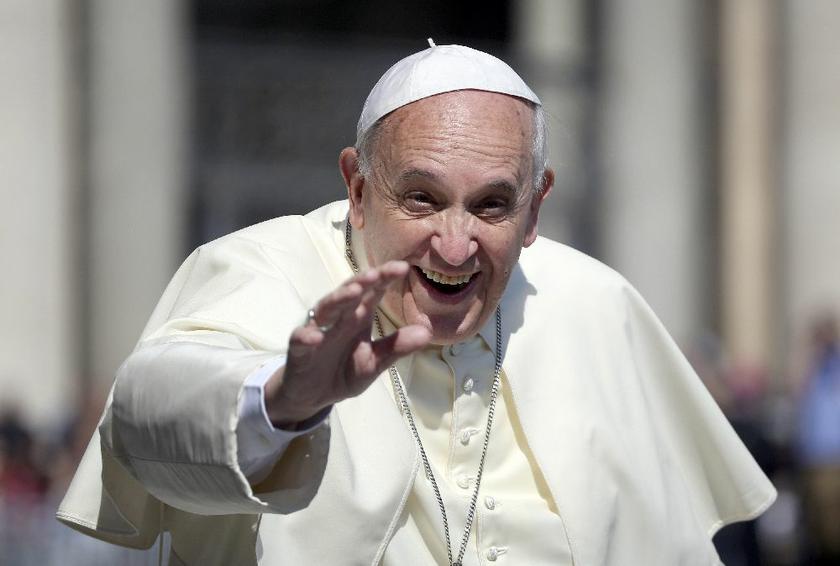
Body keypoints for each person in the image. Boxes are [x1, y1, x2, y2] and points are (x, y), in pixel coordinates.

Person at [58, 41, 776, 565]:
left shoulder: (594, 303)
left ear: (535, 209)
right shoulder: (269, 267)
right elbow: (147, 411)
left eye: (493, 206)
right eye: (422, 198)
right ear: (359, 188)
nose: (455, 246)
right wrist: (280, 402)